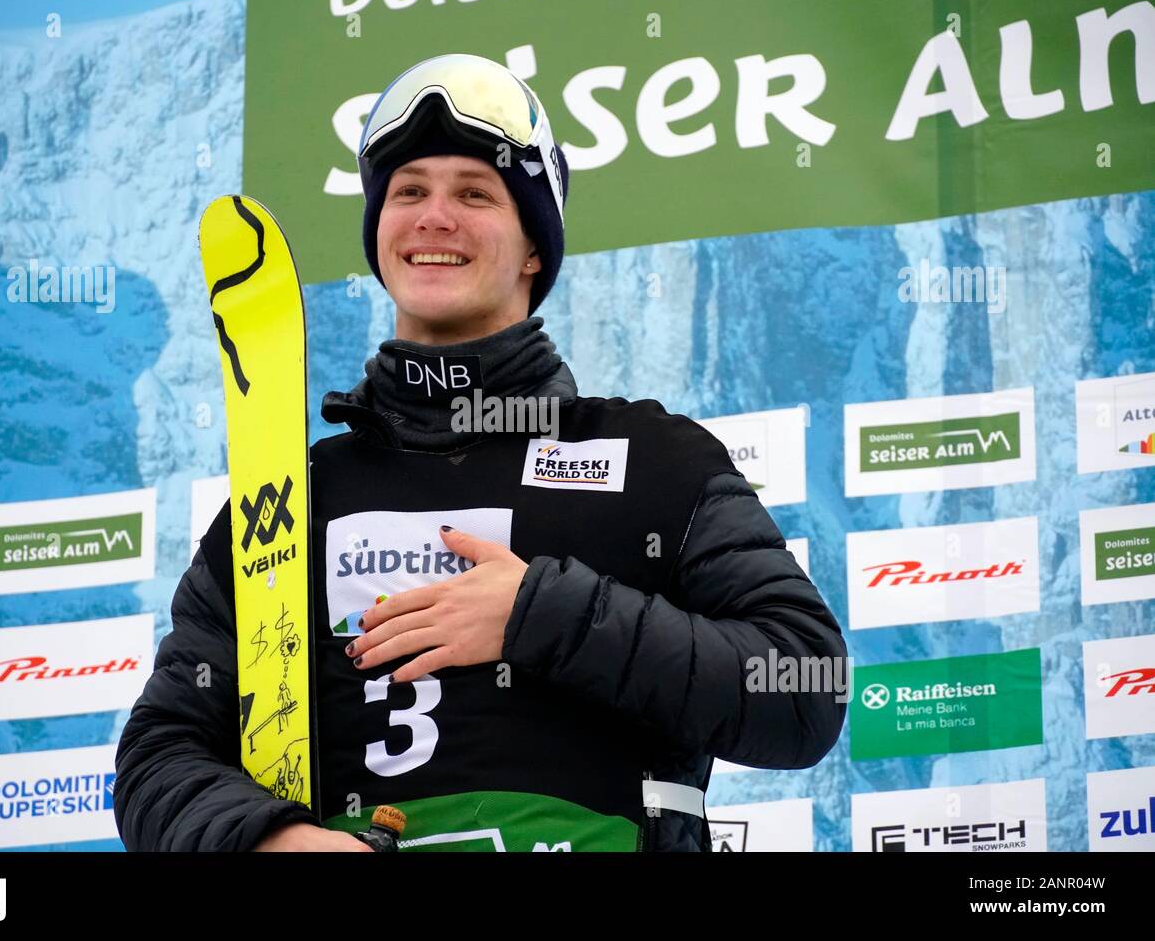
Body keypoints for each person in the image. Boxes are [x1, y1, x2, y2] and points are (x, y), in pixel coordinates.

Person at [114, 53, 847, 852]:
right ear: (379, 234)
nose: (434, 217)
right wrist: (269, 840)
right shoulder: (290, 507)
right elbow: (160, 751)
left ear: (536, 248)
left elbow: (804, 686)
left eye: (474, 193)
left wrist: (541, 614)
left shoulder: (654, 459)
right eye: (409, 192)